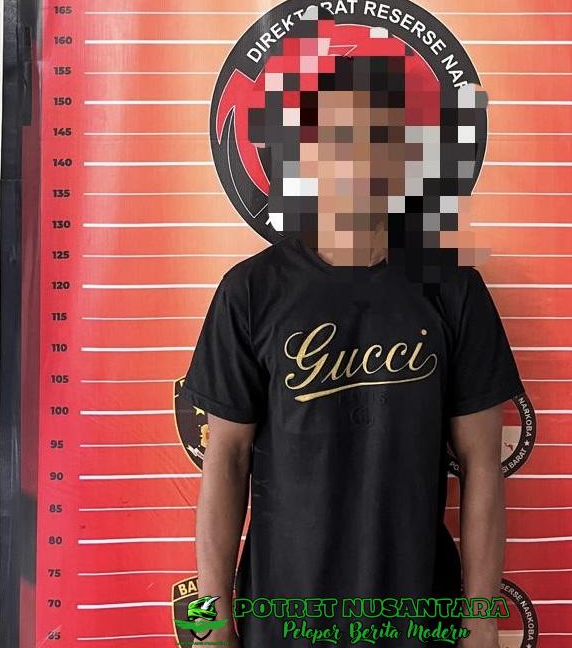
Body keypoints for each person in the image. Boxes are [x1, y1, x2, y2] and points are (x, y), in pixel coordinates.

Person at [181, 46, 526, 648]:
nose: (359, 159)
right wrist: (210, 627)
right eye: (339, 138)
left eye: (379, 138)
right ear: (306, 156)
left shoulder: (454, 290)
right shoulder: (250, 292)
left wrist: (480, 622)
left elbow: (481, 467)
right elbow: (225, 462)